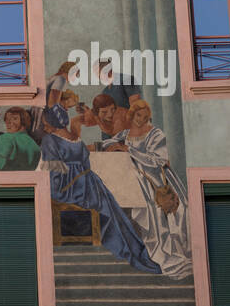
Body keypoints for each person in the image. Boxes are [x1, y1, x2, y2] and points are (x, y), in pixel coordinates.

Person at [40, 90, 159, 273]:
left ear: (49, 121)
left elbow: (53, 173)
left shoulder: (50, 140)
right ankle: (135, 252)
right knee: (114, 213)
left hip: (68, 187)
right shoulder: (76, 139)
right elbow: (85, 161)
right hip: (91, 184)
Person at [100, 100, 192, 278]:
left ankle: (163, 250)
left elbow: (158, 160)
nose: (140, 119)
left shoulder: (155, 134)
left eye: (144, 116)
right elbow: (109, 142)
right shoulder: (126, 133)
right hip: (137, 178)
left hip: (157, 178)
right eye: (137, 115)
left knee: (156, 208)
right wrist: (113, 146)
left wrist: (130, 151)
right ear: (132, 116)